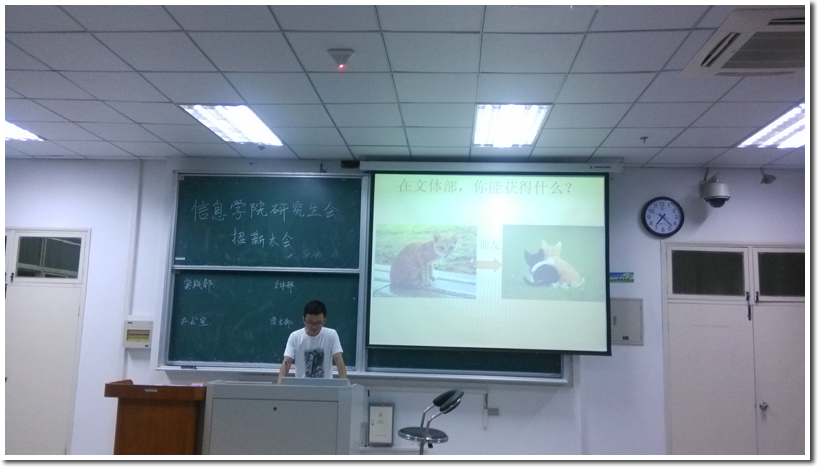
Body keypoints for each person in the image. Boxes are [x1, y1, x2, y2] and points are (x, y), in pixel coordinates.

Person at [277, 300, 348, 384]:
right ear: (304, 320)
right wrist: (279, 387)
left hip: (326, 388)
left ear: (324, 320)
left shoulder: (331, 335)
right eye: (310, 323)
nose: (314, 327)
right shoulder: (295, 337)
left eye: (318, 323)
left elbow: (338, 359)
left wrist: (345, 385)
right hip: (302, 388)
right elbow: (287, 361)